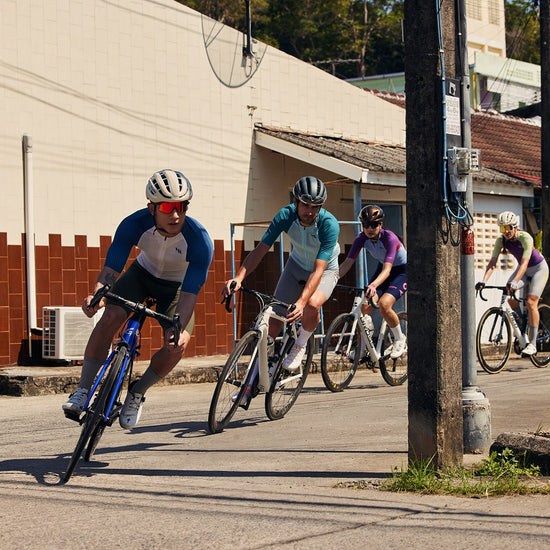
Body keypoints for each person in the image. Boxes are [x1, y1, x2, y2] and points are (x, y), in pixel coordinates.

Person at [63, 169, 213, 428]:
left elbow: (189, 295)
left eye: (181, 206)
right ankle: (83, 389)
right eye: (167, 207)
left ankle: (138, 391)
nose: (175, 214)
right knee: (109, 316)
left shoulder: (200, 241)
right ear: (151, 208)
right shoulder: (133, 224)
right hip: (141, 275)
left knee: (178, 344)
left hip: (176, 288)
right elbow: (111, 270)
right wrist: (98, 294)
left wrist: (178, 328)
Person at [222, 176, 340, 394]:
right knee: (274, 320)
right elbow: (260, 250)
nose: (310, 211)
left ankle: (301, 343)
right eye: (306, 205)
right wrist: (238, 278)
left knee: (313, 304)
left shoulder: (329, 224)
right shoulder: (285, 216)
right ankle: (250, 385)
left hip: (324, 270)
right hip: (295, 266)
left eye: (316, 207)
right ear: (295, 201)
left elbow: (319, 269)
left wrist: (301, 302)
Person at [339, 205, 407, 359]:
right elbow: (347, 263)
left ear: (381, 224)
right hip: (382, 269)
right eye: (366, 225)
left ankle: (400, 338)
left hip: (400, 271)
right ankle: (363, 347)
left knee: (384, 304)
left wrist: (374, 285)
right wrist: (332, 278)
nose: (369, 228)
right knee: (365, 306)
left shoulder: (390, 238)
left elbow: (387, 270)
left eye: (374, 224)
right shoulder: (361, 238)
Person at [476, 211, 549, 356]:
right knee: (508, 297)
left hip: (538, 270)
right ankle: (522, 328)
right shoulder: (501, 240)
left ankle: (533, 344)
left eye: (508, 227)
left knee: (531, 302)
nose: (506, 231)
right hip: (524, 270)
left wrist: (515, 282)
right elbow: (492, 262)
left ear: (515, 227)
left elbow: (524, 263)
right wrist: (484, 280)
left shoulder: (525, 237)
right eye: (502, 228)